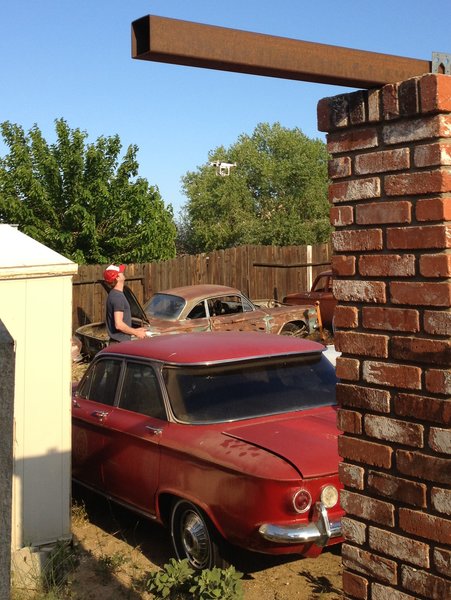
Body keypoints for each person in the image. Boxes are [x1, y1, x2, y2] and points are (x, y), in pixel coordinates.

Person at [103, 264, 148, 343]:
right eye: (120, 272)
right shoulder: (117, 297)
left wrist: (134, 330)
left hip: (118, 342)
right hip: (119, 344)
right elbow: (119, 324)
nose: (123, 272)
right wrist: (136, 333)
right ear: (117, 277)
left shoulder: (115, 294)